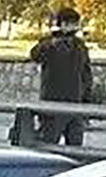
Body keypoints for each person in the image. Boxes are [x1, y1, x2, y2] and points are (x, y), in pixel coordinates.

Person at [30, 8, 93, 146]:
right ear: (62, 24)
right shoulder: (49, 42)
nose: (75, 27)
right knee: (48, 143)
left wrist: (87, 100)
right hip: (53, 103)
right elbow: (35, 55)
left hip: (76, 103)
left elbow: (86, 74)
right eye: (71, 23)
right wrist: (52, 42)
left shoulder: (79, 45)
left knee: (75, 146)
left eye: (76, 24)